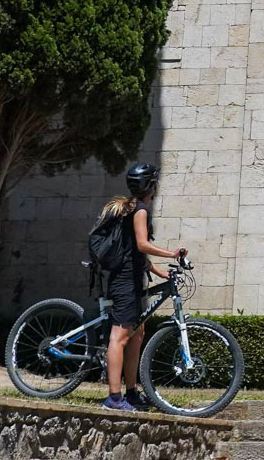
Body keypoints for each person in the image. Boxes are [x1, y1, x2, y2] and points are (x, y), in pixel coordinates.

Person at [98, 162, 186, 412]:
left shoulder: (134, 208)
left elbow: (139, 258)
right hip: (124, 281)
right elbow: (142, 245)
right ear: (151, 186)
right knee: (120, 335)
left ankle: (131, 392)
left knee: (136, 335)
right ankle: (114, 399)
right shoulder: (141, 211)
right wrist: (172, 253)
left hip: (133, 278)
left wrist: (163, 274)